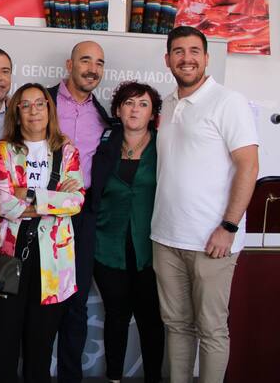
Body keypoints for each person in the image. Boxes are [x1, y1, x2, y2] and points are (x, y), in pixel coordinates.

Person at [152, 26, 259, 383]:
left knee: (212, 329)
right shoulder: (168, 103)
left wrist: (228, 227)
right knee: (176, 325)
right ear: (167, 59)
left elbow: (249, 165)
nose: (187, 59)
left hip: (212, 241)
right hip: (166, 238)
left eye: (194, 51)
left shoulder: (228, 101)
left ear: (207, 58)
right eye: (178, 52)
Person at [0, 83, 84, 383]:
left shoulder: (67, 151)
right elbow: (1, 201)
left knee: (40, 346)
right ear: (17, 112)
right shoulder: (4, 150)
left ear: (49, 109)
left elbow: (76, 201)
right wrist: (53, 200)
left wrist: (28, 195)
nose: (33, 110)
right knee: (3, 341)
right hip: (10, 254)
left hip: (53, 260)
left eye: (40, 103)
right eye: (25, 105)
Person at [47, 40, 112, 383]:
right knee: (40, 301)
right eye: (85, 61)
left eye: (99, 63)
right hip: (39, 213)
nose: (92, 69)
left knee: (76, 302)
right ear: (69, 65)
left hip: (82, 216)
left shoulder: (104, 117)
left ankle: (70, 377)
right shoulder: (41, 100)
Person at [92, 81, 165, 383]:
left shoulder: (165, 147)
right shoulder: (103, 145)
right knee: (116, 316)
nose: (135, 110)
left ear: (153, 114)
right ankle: (114, 377)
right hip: (107, 248)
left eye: (143, 104)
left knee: (151, 320)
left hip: (152, 250)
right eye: (129, 103)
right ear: (118, 110)